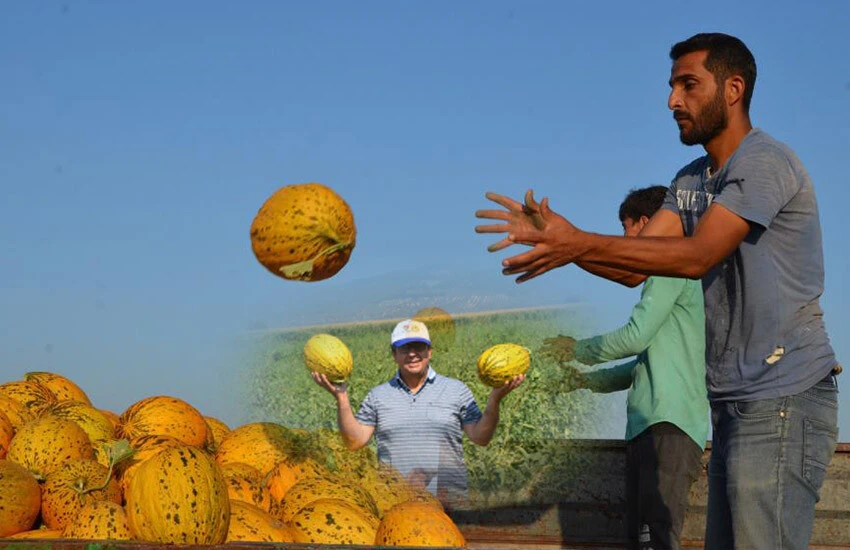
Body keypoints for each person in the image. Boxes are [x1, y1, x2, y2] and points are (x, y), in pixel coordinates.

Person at [476, 32, 839, 550]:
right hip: (732, 403)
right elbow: (636, 270)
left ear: (733, 89)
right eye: (671, 87)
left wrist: (576, 241)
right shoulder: (690, 179)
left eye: (688, 85)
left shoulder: (764, 163)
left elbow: (695, 257)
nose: (672, 101)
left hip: (784, 397)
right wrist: (566, 244)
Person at [542, 185, 708, 550]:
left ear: (646, 223)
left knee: (655, 539)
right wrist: (583, 381)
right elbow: (640, 366)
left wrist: (576, 349)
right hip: (652, 425)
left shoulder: (668, 270)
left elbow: (634, 338)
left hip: (668, 425)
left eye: (625, 228)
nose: (623, 239)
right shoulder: (666, 277)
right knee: (643, 538)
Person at [311, 319, 525, 510]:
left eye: (418, 347)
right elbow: (354, 441)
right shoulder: (378, 396)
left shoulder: (456, 390)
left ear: (429, 351)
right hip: (395, 502)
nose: (412, 353)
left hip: (449, 502)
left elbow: (480, 437)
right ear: (394, 355)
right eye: (404, 348)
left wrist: (495, 399)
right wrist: (342, 398)